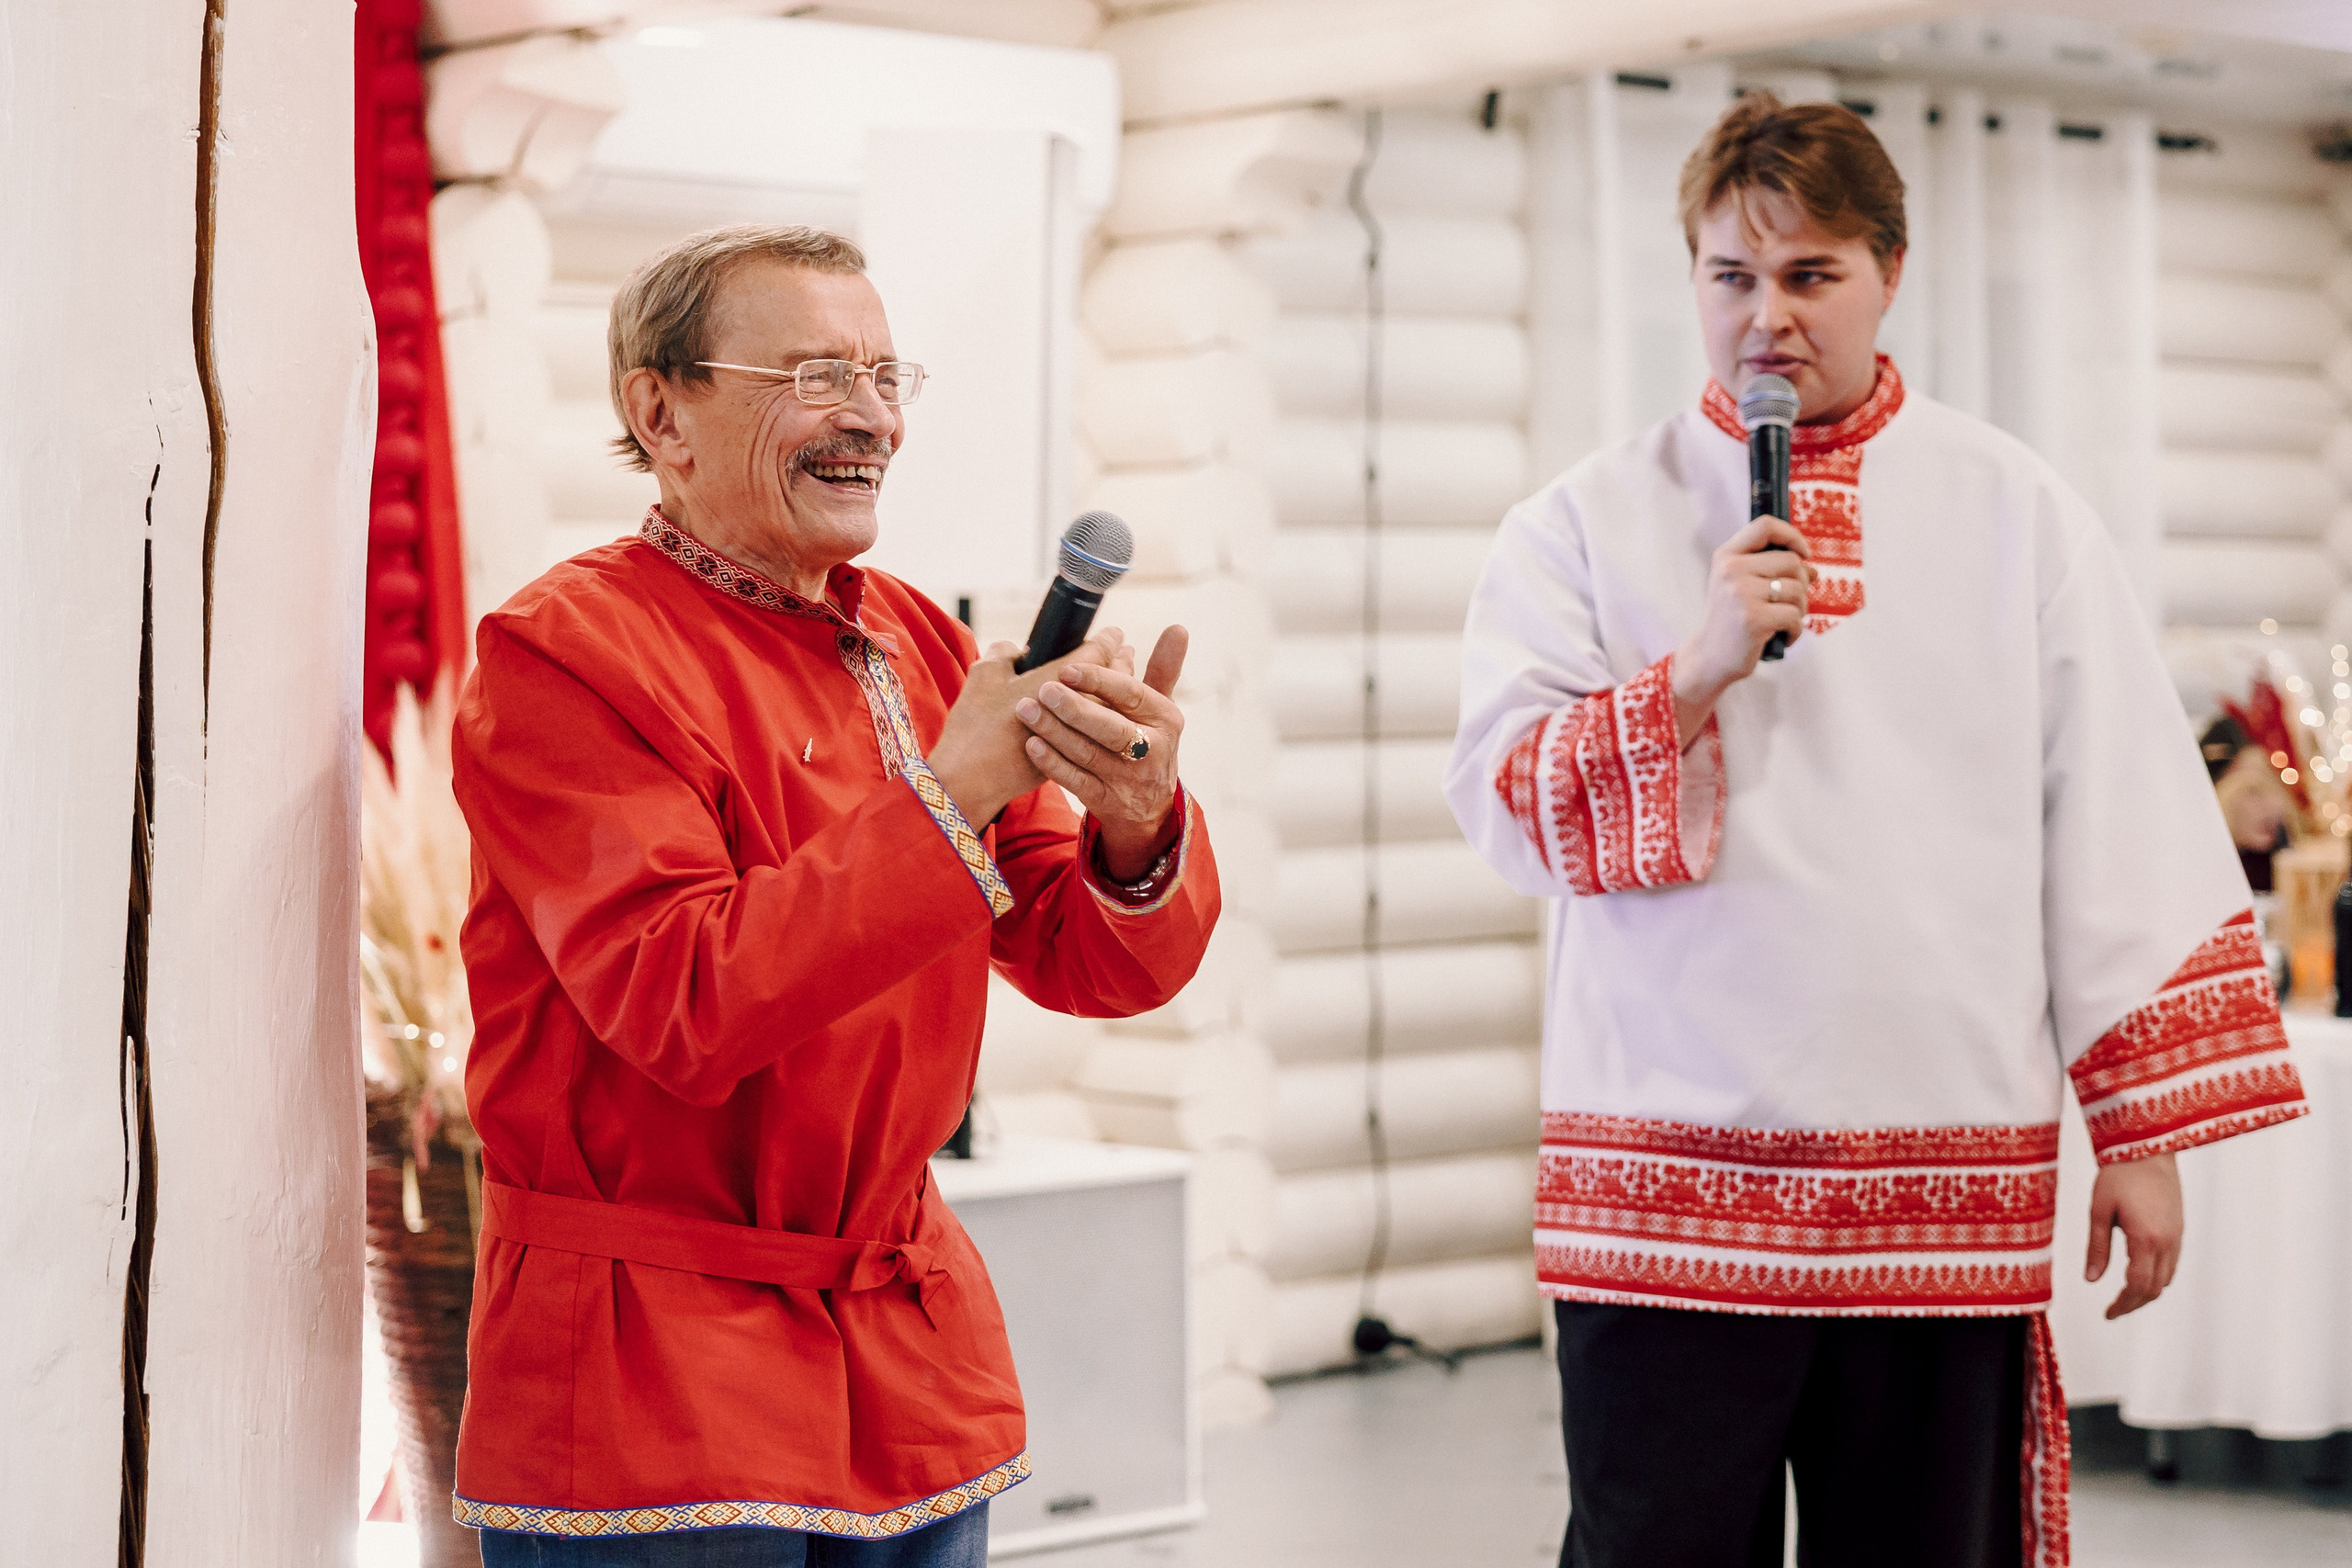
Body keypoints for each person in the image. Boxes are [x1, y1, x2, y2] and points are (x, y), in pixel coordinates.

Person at [1446, 95, 2305, 1568]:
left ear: (1890, 271)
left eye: (1810, 274)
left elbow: (2120, 819)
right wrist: (1694, 671)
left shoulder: (2015, 511)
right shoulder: (1579, 524)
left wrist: (2141, 1138)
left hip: (1938, 1189)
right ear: (1692, 278)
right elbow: (1508, 809)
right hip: (1668, 1204)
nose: (1766, 317)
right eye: (1731, 276)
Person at [447, 224, 1219, 1565]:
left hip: (903, 1353)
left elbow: (1090, 962)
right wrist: (953, 793)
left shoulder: (917, 639)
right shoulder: (563, 656)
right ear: (661, 413)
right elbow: (686, 1003)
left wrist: (1135, 821)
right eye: (816, 377)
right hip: (655, 1371)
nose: (872, 420)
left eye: (883, 377)